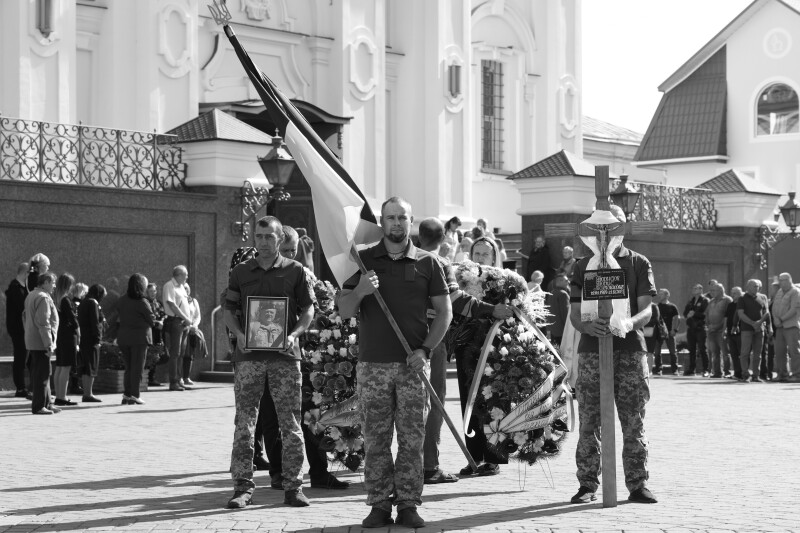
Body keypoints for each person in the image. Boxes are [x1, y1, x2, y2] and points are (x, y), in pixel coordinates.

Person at [338, 197, 452, 529]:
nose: (397, 223)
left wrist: (426, 350)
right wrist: (359, 290)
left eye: (402, 217)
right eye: (390, 218)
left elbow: (444, 313)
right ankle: (378, 505)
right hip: (373, 366)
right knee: (375, 438)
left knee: (412, 439)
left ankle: (408, 504)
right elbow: (345, 310)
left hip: (412, 366)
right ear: (382, 222)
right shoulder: (364, 260)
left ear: (411, 221)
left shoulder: (428, 264)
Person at [568, 205, 657, 505]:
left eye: (611, 227)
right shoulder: (582, 266)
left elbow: (648, 308)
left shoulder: (638, 262)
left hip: (630, 351)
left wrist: (629, 322)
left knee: (633, 420)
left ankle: (637, 483)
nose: (604, 234)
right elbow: (574, 314)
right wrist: (588, 326)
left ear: (621, 229)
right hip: (593, 352)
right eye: (598, 228)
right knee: (590, 420)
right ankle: (587, 484)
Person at [224, 215, 315, 510]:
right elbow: (229, 308)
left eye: (269, 237)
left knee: (290, 423)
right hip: (249, 358)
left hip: (285, 359)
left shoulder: (295, 271)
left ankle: (293, 487)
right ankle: (243, 487)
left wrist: (294, 334)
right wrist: (238, 334)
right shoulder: (241, 271)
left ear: (280, 240)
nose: (263, 242)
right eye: (259, 236)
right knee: (244, 423)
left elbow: (308, 309)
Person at [416, 217, 513, 485]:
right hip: (466, 348)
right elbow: (454, 305)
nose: (481, 258)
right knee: (469, 403)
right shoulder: (458, 275)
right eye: (477, 253)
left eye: (486, 254)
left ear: (495, 257)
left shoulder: (506, 281)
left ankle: (493, 456)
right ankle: (474, 456)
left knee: (493, 402)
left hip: (495, 350)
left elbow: (513, 311)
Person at [258, 226, 350, 490]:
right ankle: (277, 472)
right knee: (272, 416)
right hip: (268, 353)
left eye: (293, 250)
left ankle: (319, 472)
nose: (290, 254)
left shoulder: (303, 273)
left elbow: (324, 308)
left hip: (304, 355)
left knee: (311, 414)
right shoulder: (260, 272)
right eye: (285, 250)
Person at [117, 273, 156, 405]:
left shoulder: (122, 299)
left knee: (128, 367)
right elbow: (152, 320)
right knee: (137, 368)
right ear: (141, 285)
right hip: (140, 338)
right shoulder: (142, 301)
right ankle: (134, 394)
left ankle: (127, 395)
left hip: (124, 337)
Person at [24, 272, 60, 414]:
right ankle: (39, 406)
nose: (54, 286)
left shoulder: (32, 295)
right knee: (42, 374)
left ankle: (47, 403)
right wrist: (48, 343)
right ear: (45, 282)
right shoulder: (43, 298)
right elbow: (44, 322)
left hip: (33, 340)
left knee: (44, 372)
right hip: (41, 342)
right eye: (52, 283)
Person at [162, 265, 192, 391]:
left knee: (182, 353)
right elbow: (172, 304)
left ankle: (179, 380)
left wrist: (187, 320)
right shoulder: (169, 285)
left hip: (184, 323)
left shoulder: (182, 287)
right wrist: (185, 317)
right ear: (179, 275)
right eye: (185, 275)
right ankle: (173, 382)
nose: (187, 277)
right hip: (175, 321)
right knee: (175, 353)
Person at [77, 284, 106, 402]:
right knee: (91, 365)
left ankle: (86, 392)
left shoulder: (84, 301)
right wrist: (98, 339)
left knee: (86, 366)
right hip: (91, 339)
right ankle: (88, 394)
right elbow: (94, 322)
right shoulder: (93, 303)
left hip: (83, 337)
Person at [54, 273, 79, 407]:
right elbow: (72, 319)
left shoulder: (56, 298)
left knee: (60, 366)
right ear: (67, 285)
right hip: (68, 335)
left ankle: (59, 395)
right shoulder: (65, 300)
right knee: (66, 367)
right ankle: (62, 396)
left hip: (59, 334)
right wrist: (77, 326)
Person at [737, 279, 770, 383]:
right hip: (746, 329)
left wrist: (760, 323)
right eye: (754, 286)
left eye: (757, 286)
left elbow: (767, 312)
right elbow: (741, 314)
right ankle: (745, 375)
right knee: (744, 353)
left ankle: (756, 375)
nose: (757, 288)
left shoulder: (763, 297)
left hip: (760, 329)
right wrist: (752, 323)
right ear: (748, 287)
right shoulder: (742, 298)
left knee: (758, 354)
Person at [6, 262, 30, 397]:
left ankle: (23, 386)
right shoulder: (15, 287)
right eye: (29, 273)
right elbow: (21, 306)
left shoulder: (23, 287)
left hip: (23, 327)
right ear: (24, 272)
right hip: (18, 328)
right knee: (20, 357)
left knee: (23, 357)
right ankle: (20, 387)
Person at [770, 273, 800, 382]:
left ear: (789, 280)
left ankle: (797, 374)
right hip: (779, 327)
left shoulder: (795, 292)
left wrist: (781, 319)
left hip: (791, 325)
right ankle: (782, 374)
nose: (781, 283)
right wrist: (775, 319)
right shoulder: (779, 292)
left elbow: (794, 309)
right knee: (779, 351)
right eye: (780, 280)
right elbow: (773, 307)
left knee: (794, 351)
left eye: (784, 280)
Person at [706, 282, 733, 378]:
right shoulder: (711, 301)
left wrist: (717, 326)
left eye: (714, 290)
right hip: (711, 331)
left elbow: (727, 316)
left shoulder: (727, 300)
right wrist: (708, 325)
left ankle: (727, 372)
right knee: (715, 353)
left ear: (721, 290)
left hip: (721, 330)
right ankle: (717, 372)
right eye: (711, 290)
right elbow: (707, 314)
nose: (711, 292)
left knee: (725, 352)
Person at [180, 283, 205, 384]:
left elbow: (197, 316)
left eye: (187, 288)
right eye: (183, 288)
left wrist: (194, 326)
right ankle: (179, 377)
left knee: (190, 354)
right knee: (181, 353)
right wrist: (189, 326)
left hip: (193, 330)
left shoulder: (194, 301)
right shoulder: (179, 301)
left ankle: (187, 377)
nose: (185, 290)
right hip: (183, 328)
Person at [683, 283, 709, 376]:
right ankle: (691, 369)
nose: (693, 290)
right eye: (693, 288)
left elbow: (705, 314)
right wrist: (688, 314)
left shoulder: (705, 300)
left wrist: (694, 314)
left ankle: (706, 369)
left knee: (702, 349)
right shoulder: (691, 301)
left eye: (696, 288)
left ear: (701, 290)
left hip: (700, 327)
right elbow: (685, 313)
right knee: (691, 349)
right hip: (691, 328)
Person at [653, 289, 680, 375]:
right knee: (657, 352)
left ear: (667, 295)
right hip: (658, 333)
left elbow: (677, 319)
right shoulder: (656, 306)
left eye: (661, 294)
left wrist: (674, 330)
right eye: (659, 294)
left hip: (670, 332)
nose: (659, 296)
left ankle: (675, 370)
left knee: (672, 352)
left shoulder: (672, 307)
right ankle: (658, 370)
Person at [145, 282, 166, 386]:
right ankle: (146, 377)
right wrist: (156, 322)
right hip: (149, 331)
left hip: (158, 332)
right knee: (149, 353)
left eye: (154, 291)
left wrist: (161, 321)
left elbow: (163, 314)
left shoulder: (158, 303)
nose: (153, 293)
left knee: (155, 354)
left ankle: (152, 377)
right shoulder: (144, 302)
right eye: (151, 291)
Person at [547, 273, 570, 345]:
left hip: (553, 329)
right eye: (566, 280)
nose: (568, 282)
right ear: (559, 281)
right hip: (562, 330)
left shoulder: (552, 292)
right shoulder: (563, 294)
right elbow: (565, 313)